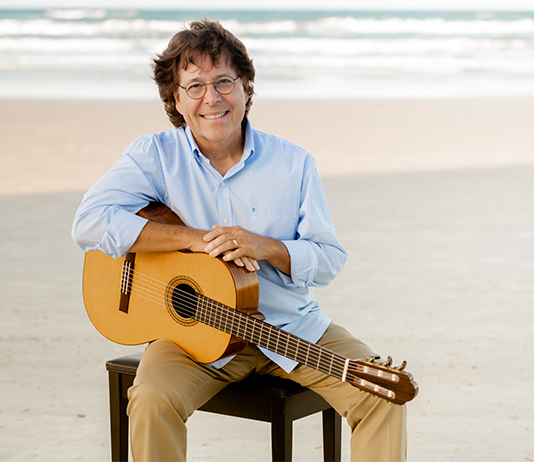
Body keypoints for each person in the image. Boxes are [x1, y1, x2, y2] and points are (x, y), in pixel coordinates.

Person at [72, 18, 406, 462]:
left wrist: (266, 246)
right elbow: (89, 224)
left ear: (246, 88)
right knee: (151, 398)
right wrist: (193, 240)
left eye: (224, 81)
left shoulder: (293, 163)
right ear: (176, 98)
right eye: (195, 86)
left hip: (288, 327)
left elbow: (328, 261)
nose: (212, 98)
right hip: (190, 340)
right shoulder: (154, 156)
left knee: (380, 395)